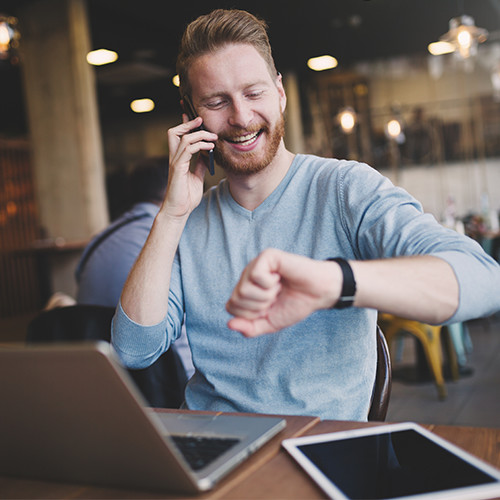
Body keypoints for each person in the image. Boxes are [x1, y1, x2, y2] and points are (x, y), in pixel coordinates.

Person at [111, 9, 500, 421]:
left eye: (253, 93)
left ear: (279, 93)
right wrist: (170, 215)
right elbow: (133, 350)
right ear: (191, 117)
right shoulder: (186, 219)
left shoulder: (345, 188)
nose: (241, 117)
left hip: (322, 447)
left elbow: (483, 278)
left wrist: (334, 281)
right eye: (217, 101)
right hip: (217, 449)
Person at [76, 158, 194, 378]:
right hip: (162, 382)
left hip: (97, 377)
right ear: (175, 185)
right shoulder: (173, 238)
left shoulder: (100, 239)